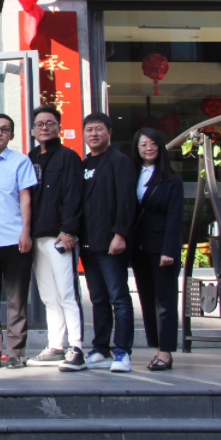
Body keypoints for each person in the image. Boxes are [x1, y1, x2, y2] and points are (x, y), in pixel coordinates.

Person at [25, 105, 86, 371]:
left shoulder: (68, 157)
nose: (45, 128)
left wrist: (69, 230)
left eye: (50, 123)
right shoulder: (30, 158)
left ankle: (77, 348)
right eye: (40, 124)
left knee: (67, 293)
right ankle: (55, 346)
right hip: (36, 236)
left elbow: (74, 195)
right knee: (48, 296)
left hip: (60, 237)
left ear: (59, 128)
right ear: (33, 130)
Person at [0, 113, 38, 369]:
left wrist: (26, 231)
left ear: (11, 135)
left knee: (16, 300)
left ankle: (15, 352)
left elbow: (25, 198)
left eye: (5, 129)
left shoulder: (20, 161)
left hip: (14, 239)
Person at [80, 112, 137, 373]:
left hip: (111, 242)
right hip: (88, 243)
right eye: (89, 129)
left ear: (109, 133)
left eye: (99, 129)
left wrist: (120, 235)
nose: (93, 134)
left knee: (119, 298)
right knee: (98, 299)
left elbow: (127, 200)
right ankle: (100, 348)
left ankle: (122, 351)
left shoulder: (120, 161)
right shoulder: (84, 163)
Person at [130, 127, 184, 372]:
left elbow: (175, 218)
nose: (148, 148)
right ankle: (157, 347)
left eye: (152, 143)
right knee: (147, 299)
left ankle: (166, 352)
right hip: (138, 248)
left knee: (165, 300)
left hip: (162, 249)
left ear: (160, 147)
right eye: (143, 144)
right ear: (137, 149)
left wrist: (169, 251)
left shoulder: (172, 180)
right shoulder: (132, 175)